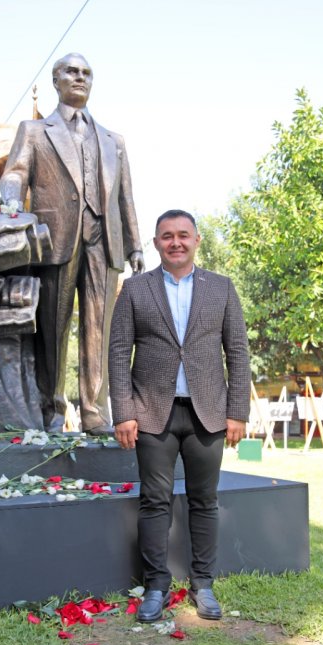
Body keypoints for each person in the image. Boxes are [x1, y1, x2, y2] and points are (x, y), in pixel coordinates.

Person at [108, 209, 250, 622]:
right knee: (155, 501)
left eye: (183, 235)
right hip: (152, 413)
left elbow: (238, 352)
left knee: (205, 501)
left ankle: (203, 584)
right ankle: (156, 587)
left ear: (196, 240)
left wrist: (237, 412)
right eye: (167, 236)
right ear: (156, 243)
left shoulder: (222, 288)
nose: (176, 242)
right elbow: (119, 352)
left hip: (209, 414)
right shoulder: (135, 289)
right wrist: (123, 411)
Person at [0, 53, 144, 434]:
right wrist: (11, 202)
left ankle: (95, 412)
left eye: (86, 73)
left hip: (104, 242)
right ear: (56, 80)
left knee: (100, 330)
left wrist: (135, 245)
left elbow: (125, 197)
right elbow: (15, 174)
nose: (80, 78)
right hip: (55, 241)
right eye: (71, 71)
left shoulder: (113, 141)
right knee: (52, 328)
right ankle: (51, 410)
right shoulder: (34, 131)